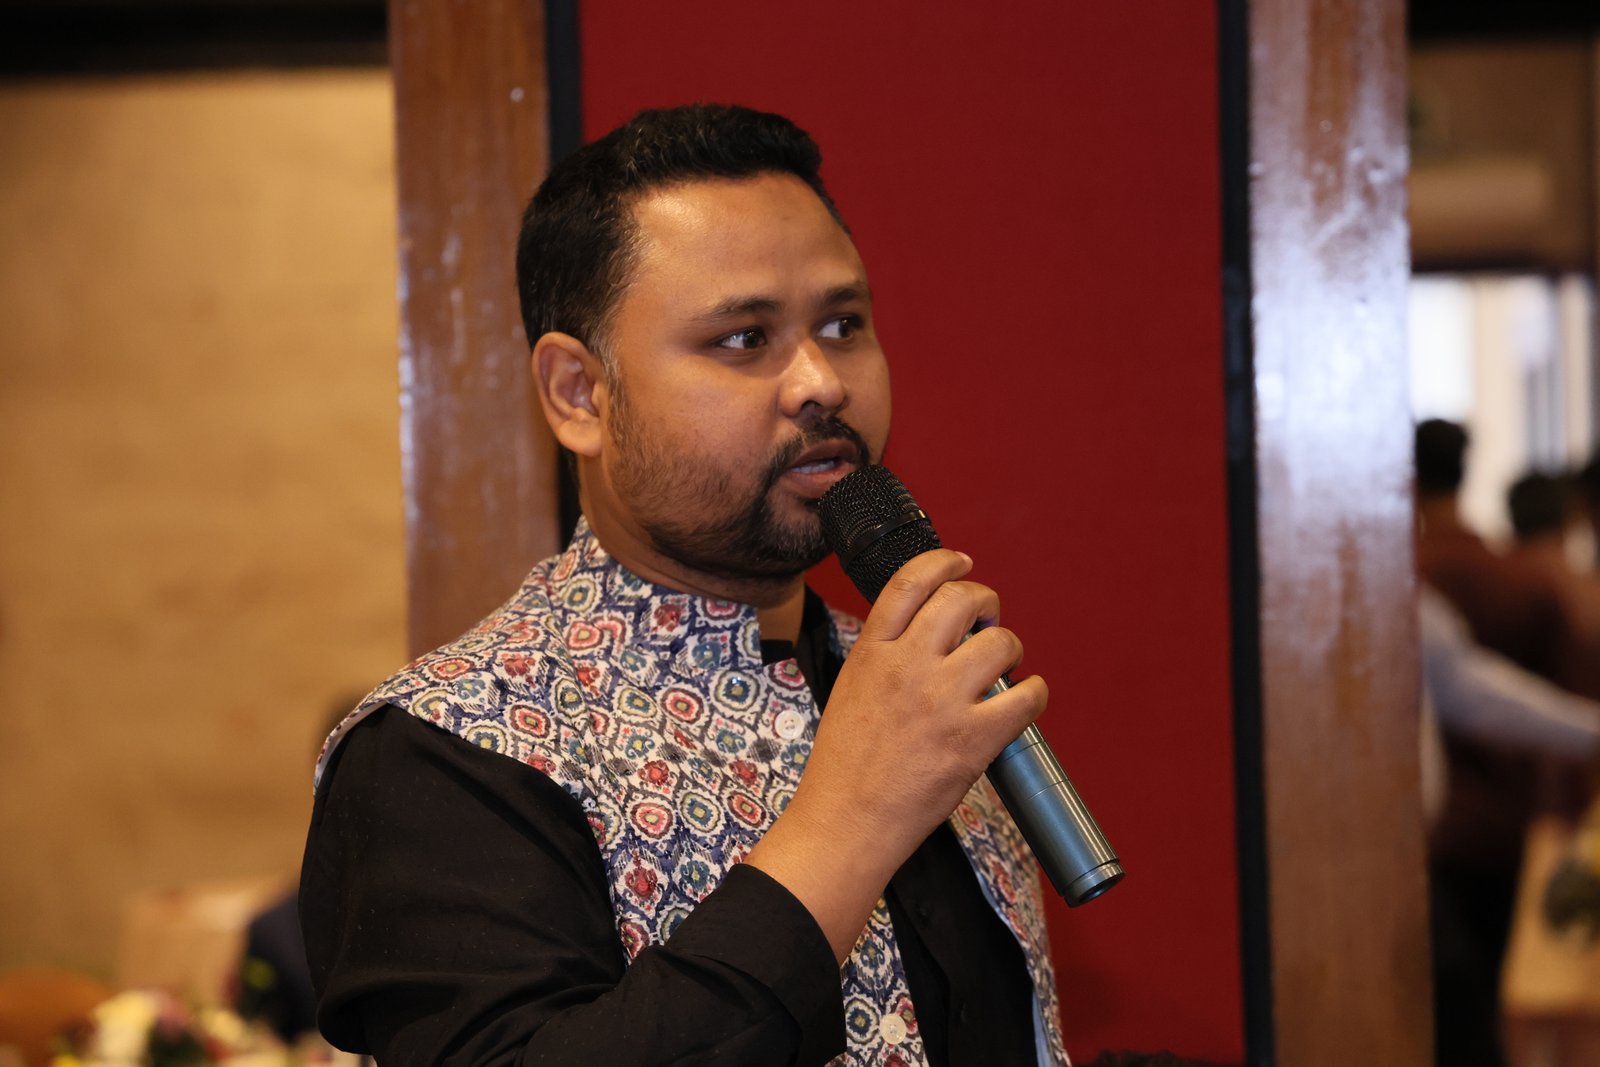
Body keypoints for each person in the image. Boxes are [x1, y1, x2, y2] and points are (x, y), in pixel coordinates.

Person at [300, 104, 1065, 1066]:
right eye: (743, 338)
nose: (820, 381)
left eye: (843, 324)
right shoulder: (443, 751)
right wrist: (852, 820)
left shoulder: (904, 682)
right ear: (580, 394)